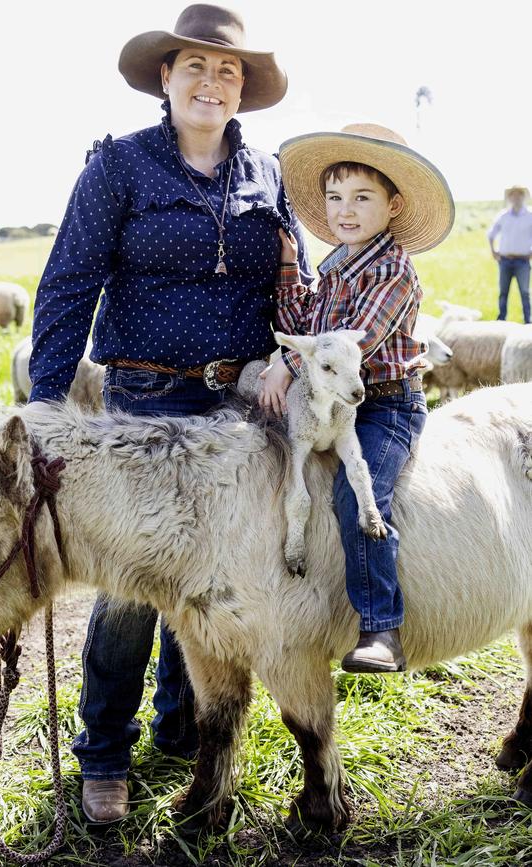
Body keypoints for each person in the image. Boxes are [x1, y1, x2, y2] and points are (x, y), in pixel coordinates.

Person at [26, 4, 312, 823]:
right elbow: (69, 283)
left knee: (216, 584)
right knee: (127, 591)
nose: (212, 82)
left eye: (228, 71)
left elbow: (292, 289)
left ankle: (183, 725)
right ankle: (103, 753)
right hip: (145, 404)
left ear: (243, 89)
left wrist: (295, 358)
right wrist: (47, 408)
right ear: (165, 76)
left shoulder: (267, 174)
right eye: (196, 66)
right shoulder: (119, 167)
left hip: (238, 413)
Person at [259, 124, 454, 672]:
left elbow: (349, 347)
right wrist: (287, 263)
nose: (346, 210)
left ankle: (380, 627)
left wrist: (285, 364)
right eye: (335, 198)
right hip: (330, 403)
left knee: (355, 491)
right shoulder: (333, 268)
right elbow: (301, 324)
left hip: (385, 404)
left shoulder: (393, 270)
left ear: (392, 205)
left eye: (362, 198)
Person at [487, 185, 532, 324]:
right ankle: (502, 320)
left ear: (523, 197)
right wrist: (493, 251)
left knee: (525, 292)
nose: (516, 197)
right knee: (503, 292)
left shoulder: (530, 216)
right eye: (513, 195)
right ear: (510, 197)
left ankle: (528, 321)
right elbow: (491, 234)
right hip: (505, 261)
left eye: (519, 195)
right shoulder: (503, 216)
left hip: (523, 261)